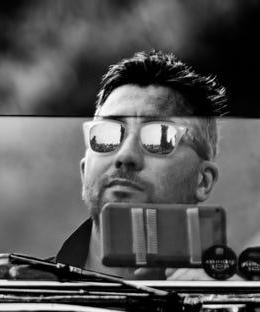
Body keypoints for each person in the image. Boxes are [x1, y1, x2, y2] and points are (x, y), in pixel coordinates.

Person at [56, 49, 228, 275]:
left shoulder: (248, 299)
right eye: (106, 135)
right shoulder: (19, 292)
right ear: (84, 170)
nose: (125, 155)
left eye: (160, 136)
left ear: (203, 181)